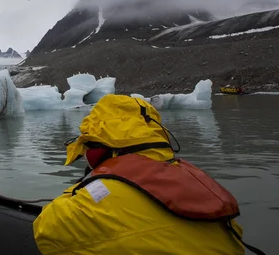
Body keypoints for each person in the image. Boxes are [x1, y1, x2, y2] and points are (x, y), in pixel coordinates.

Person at [33, 94, 265, 255]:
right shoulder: (191, 174)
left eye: (89, 148)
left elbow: (46, 231)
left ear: (103, 149)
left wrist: (90, 180)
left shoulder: (100, 197)